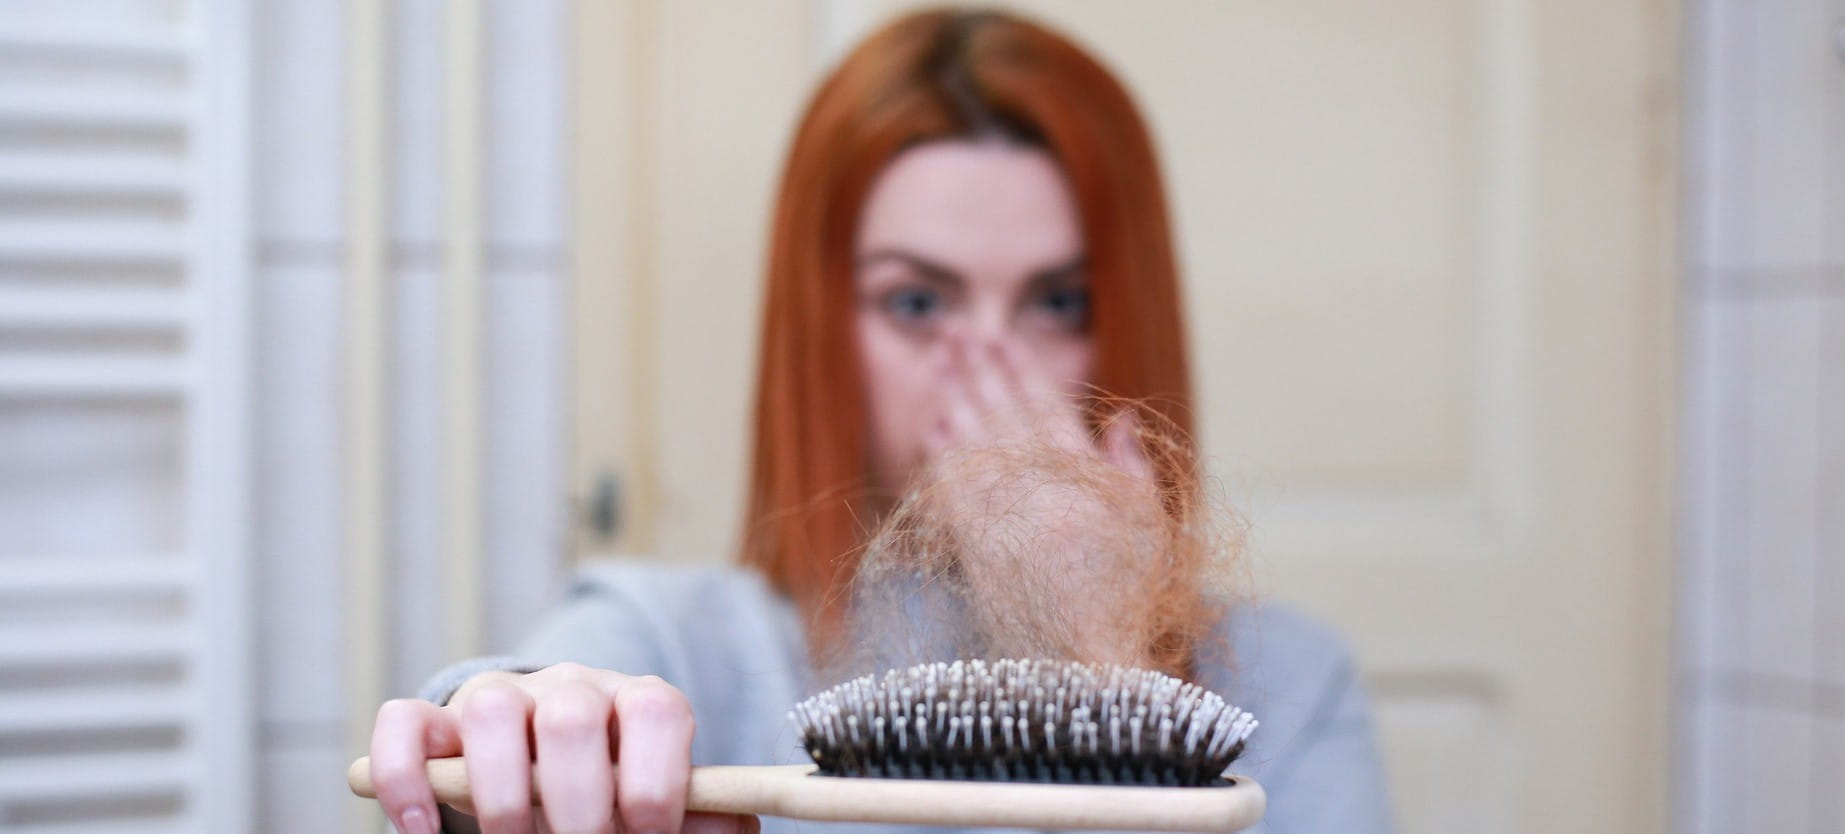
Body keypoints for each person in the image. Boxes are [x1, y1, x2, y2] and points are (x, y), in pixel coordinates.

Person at [365, 9, 1396, 834]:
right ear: (820, 327)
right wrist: (525, 730)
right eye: (917, 302)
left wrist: (1109, 659)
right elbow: (515, 711)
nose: (993, 367)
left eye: (1058, 303)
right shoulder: (678, 644)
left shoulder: (1294, 690)